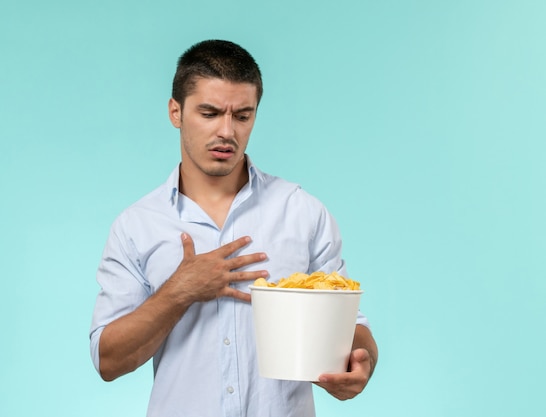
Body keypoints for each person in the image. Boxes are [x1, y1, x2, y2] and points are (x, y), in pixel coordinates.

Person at [90, 39, 378, 416]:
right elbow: (108, 361)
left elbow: (352, 328)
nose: (227, 131)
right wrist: (180, 291)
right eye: (209, 113)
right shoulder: (137, 226)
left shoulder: (301, 211)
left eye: (242, 116)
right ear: (175, 112)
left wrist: (362, 365)